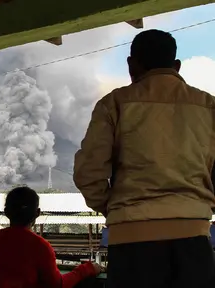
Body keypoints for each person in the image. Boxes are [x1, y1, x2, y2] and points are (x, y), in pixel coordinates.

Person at [73, 29, 215, 288]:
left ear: (131, 64)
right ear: (176, 66)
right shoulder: (208, 106)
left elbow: (88, 173)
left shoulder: (114, 104)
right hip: (194, 239)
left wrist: (116, 207)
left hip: (131, 242)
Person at [0, 186, 103, 288]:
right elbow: (58, 285)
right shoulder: (39, 246)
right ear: (37, 213)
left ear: (6, 212)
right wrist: (87, 269)